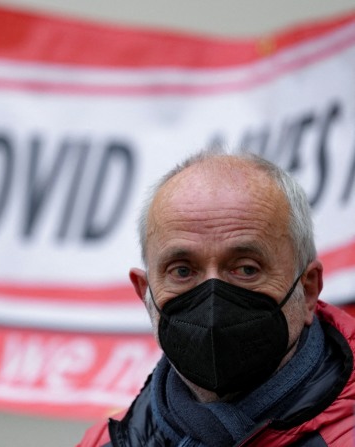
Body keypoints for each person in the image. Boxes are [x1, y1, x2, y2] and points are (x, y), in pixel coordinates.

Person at [77, 149, 355, 447]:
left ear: (308, 289)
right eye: (182, 271)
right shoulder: (104, 442)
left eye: (246, 269)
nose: (213, 301)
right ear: (145, 292)